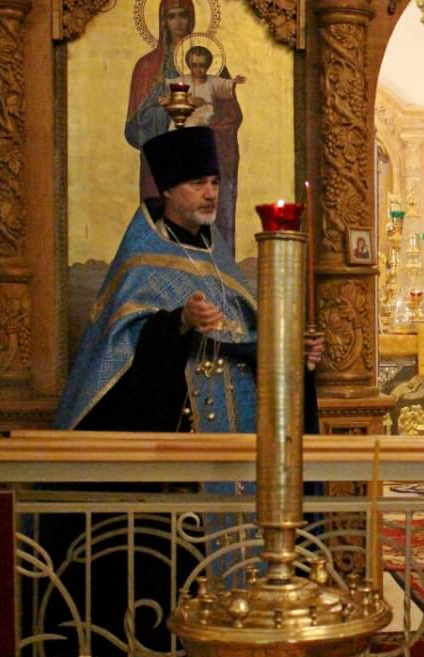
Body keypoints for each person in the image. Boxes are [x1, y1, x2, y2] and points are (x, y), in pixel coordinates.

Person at [54, 126, 322, 434]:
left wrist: (294, 353)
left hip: (242, 430)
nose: (210, 194)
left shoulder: (219, 260)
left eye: (215, 183)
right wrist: (180, 321)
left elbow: (249, 344)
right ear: (167, 190)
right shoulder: (141, 260)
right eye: (198, 183)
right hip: (178, 429)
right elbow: (124, 354)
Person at [126, 0, 243, 255]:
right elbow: (135, 126)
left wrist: (204, 127)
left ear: (192, 18)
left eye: (184, 15)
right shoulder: (148, 67)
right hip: (163, 166)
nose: (179, 22)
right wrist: (171, 111)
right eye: (172, 16)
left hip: (204, 158)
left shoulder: (213, 65)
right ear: (163, 21)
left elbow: (232, 116)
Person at [175, 45, 246, 129]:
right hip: (187, 113)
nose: (198, 69)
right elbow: (169, 85)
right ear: (188, 65)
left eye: (202, 66)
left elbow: (225, 84)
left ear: (208, 66)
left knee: (192, 124)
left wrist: (234, 81)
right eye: (194, 65)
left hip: (204, 113)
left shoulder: (213, 81)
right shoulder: (184, 79)